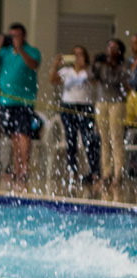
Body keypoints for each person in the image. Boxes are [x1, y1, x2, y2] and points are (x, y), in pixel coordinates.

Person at [0, 23, 41, 192]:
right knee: (14, 136)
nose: (14, 38)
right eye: (11, 35)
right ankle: (16, 168)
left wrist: (21, 50)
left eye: (17, 35)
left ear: (24, 36)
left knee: (23, 134)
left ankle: (24, 169)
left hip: (24, 101)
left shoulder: (32, 51)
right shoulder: (4, 52)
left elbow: (33, 65)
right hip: (5, 101)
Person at [49, 46, 100, 192]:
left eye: (81, 55)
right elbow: (53, 80)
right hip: (68, 107)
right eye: (75, 55)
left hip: (85, 107)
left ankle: (94, 171)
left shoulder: (88, 72)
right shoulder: (67, 71)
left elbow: (95, 80)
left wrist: (92, 65)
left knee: (88, 139)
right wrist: (55, 64)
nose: (78, 57)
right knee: (70, 139)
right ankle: (73, 171)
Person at [91, 39, 129, 194]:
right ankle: (106, 173)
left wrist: (111, 67)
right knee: (104, 139)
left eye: (114, 47)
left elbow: (117, 82)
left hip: (117, 103)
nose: (110, 49)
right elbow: (92, 78)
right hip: (101, 102)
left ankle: (118, 174)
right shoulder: (101, 64)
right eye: (108, 46)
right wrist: (95, 63)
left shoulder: (123, 65)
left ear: (119, 50)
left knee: (116, 138)